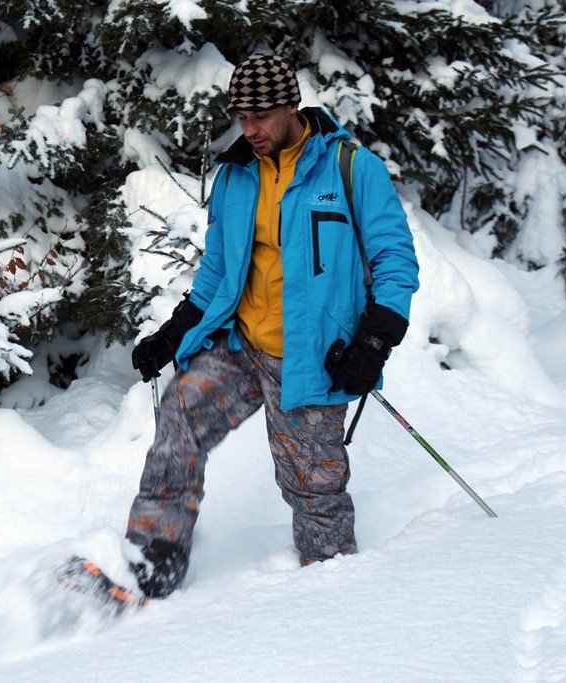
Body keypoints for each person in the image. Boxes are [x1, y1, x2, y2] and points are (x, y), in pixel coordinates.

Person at [125, 54, 420, 599]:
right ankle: (151, 563)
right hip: (240, 345)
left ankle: (330, 593)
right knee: (178, 424)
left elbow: (395, 262)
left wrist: (374, 342)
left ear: (292, 106)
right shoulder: (236, 176)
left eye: (261, 115)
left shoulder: (352, 168)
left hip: (311, 358)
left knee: (313, 488)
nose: (250, 128)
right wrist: (172, 334)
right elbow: (218, 269)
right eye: (240, 115)